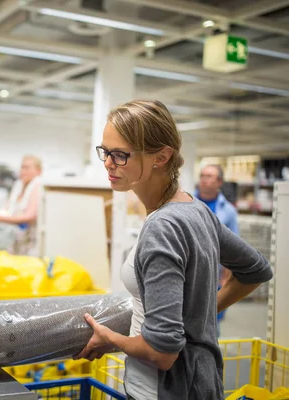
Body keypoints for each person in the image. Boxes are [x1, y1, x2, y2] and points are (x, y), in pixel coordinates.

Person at [73, 100, 272, 399]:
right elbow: (256, 269)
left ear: (161, 156)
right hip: (200, 381)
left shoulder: (162, 226)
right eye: (105, 151)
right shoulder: (196, 210)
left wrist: (110, 339)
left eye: (120, 155)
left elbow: (161, 351)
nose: (108, 163)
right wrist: (198, 316)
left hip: (165, 389)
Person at [196, 164, 240, 335]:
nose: (204, 180)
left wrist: (226, 279)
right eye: (202, 175)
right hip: (188, 272)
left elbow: (234, 247)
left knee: (211, 325)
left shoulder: (228, 211)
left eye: (209, 176)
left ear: (219, 182)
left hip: (214, 277)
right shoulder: (186, 202)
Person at [0, 155, 42, 256]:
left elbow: (29, 217)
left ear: (38, 171)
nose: (23, 171)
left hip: (31, 242)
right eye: (22, 167)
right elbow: (7, 209)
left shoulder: (37, 186)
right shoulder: (18, 186)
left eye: (27, 167)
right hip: (16, 238)